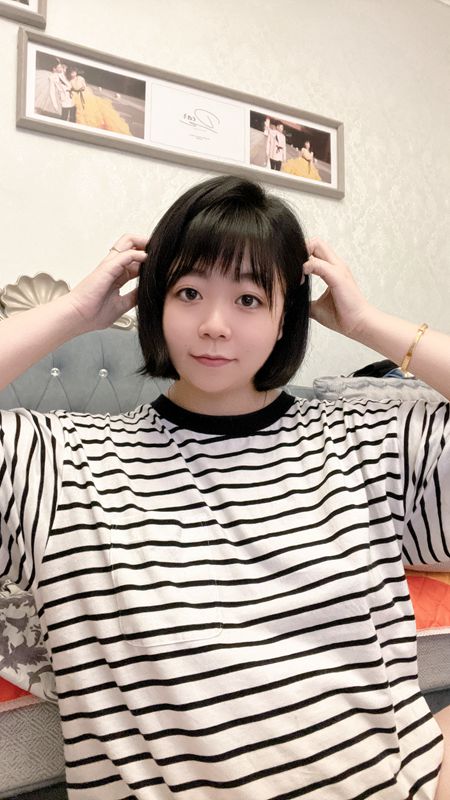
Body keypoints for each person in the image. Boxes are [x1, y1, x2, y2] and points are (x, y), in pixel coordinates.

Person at [0, 174, 449, 800]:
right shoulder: (59, 465)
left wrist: (368, 323)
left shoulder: (369, 442)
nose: (214, 324)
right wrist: (73, 315)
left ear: (285, 315)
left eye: (248, 299)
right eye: (188, 292)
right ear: (154, 301)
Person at [68, 66, 132, 135]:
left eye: (74, 72)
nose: (72, 74)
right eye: (71, 73)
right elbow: (71, 89)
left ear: (76, 72)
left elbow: (84, 86)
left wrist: (81, 90)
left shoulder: (80, 78)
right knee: (80, 110)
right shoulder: (70, 81)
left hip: (84, 94)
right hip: (77, 95)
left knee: (90, 108)